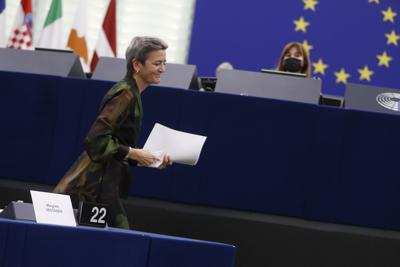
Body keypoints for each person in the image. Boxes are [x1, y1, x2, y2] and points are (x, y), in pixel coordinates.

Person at [54, 36, 172, 229]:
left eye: (164, 63)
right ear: (137, 65)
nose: (163, 69)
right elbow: (95, 141)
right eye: (157, 63)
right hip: (92, 187)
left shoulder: (132, 93)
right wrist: (135, 153)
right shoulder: (125, 94)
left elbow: (118, 145)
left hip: (104, 185)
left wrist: (149, 158)